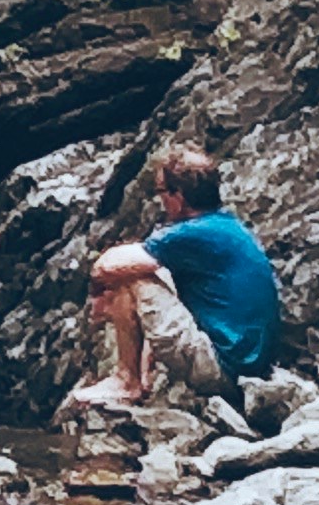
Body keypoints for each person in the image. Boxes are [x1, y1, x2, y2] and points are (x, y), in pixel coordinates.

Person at [72, 146, 283, 414]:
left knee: (131, 278)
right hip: (251, 365)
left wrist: (99, 293)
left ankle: (127, 382)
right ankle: (143, 377)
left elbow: (106, 267)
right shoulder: (226, 226)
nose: (160, 200)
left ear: (177, 196)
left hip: (224, 370)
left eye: (161, 192)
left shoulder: (190, 234)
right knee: (154, 272)